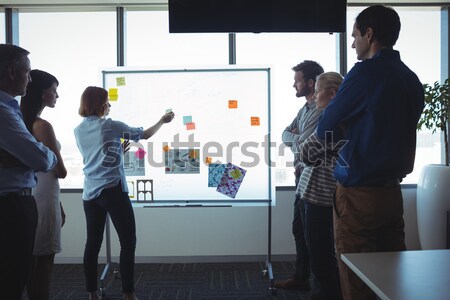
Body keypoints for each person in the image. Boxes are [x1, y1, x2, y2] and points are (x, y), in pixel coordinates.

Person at [316, 5, 424, 300]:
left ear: (369, 34)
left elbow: (324, 126)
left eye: (354, 36)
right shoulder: (411, 79)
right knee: (391, 277)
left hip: (358, 195)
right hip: (391, 193)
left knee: (356, 277)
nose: (352, 43)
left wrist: (347, 128)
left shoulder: (364, 73)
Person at [74, 86, 175, 300]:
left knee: (92, 244)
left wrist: (118, 150)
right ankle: (128, 294)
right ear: (100, 104)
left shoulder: (78, 130)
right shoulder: (110, 125)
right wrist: (162, 120)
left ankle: (92, 293)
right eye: (107, 101)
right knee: (128, 243)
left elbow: (97, 155)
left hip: (90, 193)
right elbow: (145, 135)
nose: (110, 105)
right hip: (113, 191)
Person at [0, 44, 57, 300]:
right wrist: (37, 153)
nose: (30, 78)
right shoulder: (4, 114)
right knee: (14, 280)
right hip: (11, 207)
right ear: (12, 71)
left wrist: (21, 155)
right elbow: (44, 159)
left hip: (19, 201)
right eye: (27, 72)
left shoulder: (12, 112)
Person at [276, 60, 324, 290]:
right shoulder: (303, 109)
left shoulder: (320, 109)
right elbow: (285, 134)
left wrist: (296, 138)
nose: (293, 85)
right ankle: (302, 277)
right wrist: (296, 137)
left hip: (314, 178)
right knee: (299, 228)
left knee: (314, 234)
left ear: (311, 83)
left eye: (297, 81)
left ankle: (317, 284)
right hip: (300, 175)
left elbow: (303, 145)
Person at [296, 72, 344, 300]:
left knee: (321, 256)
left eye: (317, 92)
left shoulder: (333, 120)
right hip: (310, 192)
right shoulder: (328, 118)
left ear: (332, 93)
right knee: (317, 253)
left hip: (319, 196)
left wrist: (306, 149)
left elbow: (304, 151)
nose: (314, 97)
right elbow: (304, 149)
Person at [20, 69, 67, 300]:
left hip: (35, 194)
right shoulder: (42, 125)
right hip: (45, 197)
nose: (57, 96)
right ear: (41, 93)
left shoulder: (20, 121)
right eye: (54, 90)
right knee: (45, 263)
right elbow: (60, 171)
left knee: (31, 262)